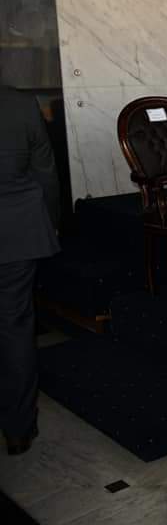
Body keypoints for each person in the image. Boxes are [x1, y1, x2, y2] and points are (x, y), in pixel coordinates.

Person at [1, 87, 60, 455]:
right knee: (14, 328)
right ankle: (18, 430)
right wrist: (51, 222)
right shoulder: (20, 103)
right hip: (17, 231)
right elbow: (44, 171)